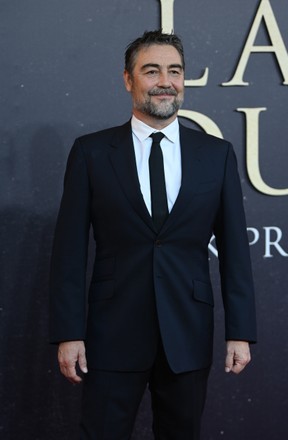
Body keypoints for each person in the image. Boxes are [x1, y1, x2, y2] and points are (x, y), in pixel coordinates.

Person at [49, 30, 257, 440]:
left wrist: (240, 331)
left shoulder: (217, 155)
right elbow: (68, 251)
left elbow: (235, 250)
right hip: (111, 334)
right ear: (129, 79)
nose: (165, 80)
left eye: (174, 71)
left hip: (188, 331)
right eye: (152, 70)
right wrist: (69, 333)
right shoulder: (91, 153)